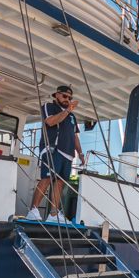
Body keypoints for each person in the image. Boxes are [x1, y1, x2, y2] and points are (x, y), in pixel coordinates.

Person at [25, 85, 84, 223]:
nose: (67, 100)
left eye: (70, 98)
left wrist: (80, 152)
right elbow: (50, 122)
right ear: (56, 95)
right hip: (52, 148)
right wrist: (68, 110)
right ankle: (33, 211)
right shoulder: (49, 107)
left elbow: (75, 135)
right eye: (64, 96)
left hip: (68, 153)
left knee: (60, 183)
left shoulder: (72, 116)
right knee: (47, 178)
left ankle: (53, 214)